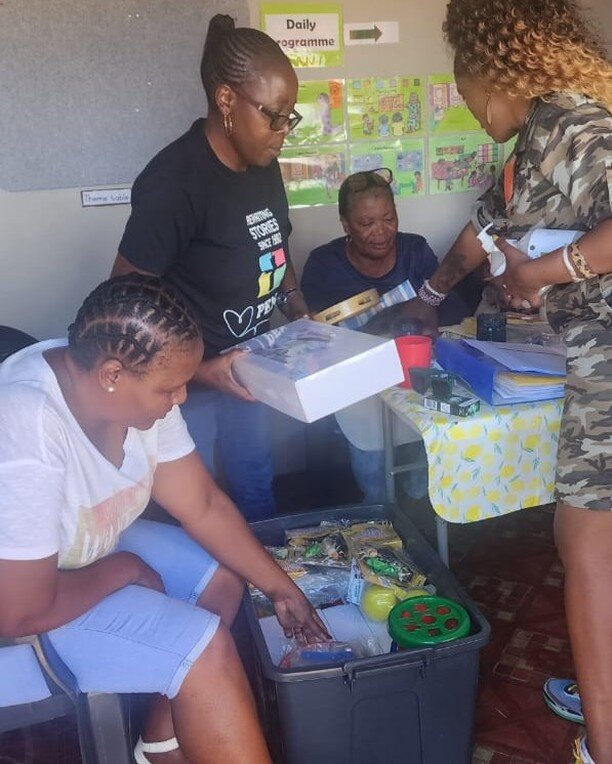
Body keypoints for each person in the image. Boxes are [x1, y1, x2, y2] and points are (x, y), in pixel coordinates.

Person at [0, 274, 328, 764]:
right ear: (112, 374)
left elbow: (202, 504)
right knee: (206, 649)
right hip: (22, 601)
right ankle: (182, 702)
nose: (181, 399)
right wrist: (124, 570)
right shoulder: (27, 425)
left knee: (222, 577)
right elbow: (19, 610)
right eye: (169, 389)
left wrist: (283, 589)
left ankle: (159, 738)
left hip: (84, 548)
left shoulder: (140, 382)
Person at [405, 2, 611, 761]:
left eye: (462, 86)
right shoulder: (534, 145)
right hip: (592, 351)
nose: (462, 102)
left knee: (588, 542)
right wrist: (427, 300)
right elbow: (482, 232)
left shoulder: (569, 123)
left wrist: (544, 272)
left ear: (493, 68)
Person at [111, 15, 309, 522]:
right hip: (183, 389)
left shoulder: (263, 166)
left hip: (248, 367)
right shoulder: (174, 182)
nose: (284, 132)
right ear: (226, 102)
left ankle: (269, 587)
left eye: (292, 116)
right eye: (274, 116)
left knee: (254, 487)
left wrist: (299, 311)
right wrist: (199, 371)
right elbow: (123, 307)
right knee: (190, 508)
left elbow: (276, 241)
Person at [301, 168, 481, 505]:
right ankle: (378, 514)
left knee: (422, 479)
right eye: (366, 223)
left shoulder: (415, 251)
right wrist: (397, 313)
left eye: (388, 218)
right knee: (374, 477)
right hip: (358, 388)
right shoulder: (324, 265)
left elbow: (450, 315)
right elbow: (321, 342)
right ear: (346, 226)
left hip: (414, 379)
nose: (381, 232)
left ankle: (422, 508)